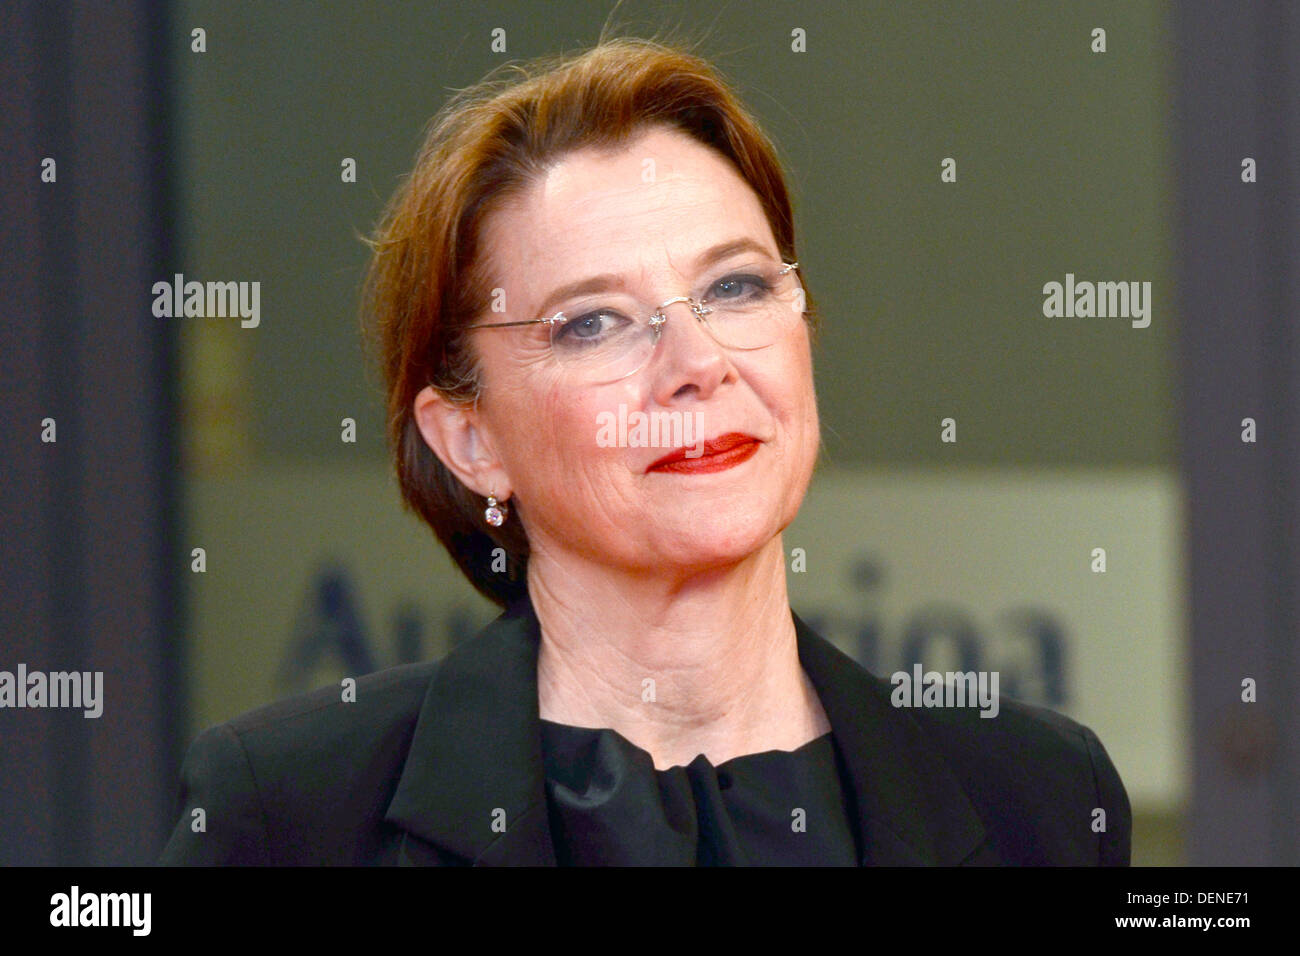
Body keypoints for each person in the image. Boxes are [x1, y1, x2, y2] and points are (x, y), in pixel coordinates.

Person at [158, 36, 1130, 866]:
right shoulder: (291, 811)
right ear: (471, 437)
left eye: (738, 289)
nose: (697, 363)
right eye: (593, 322)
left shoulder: (1036, 796)